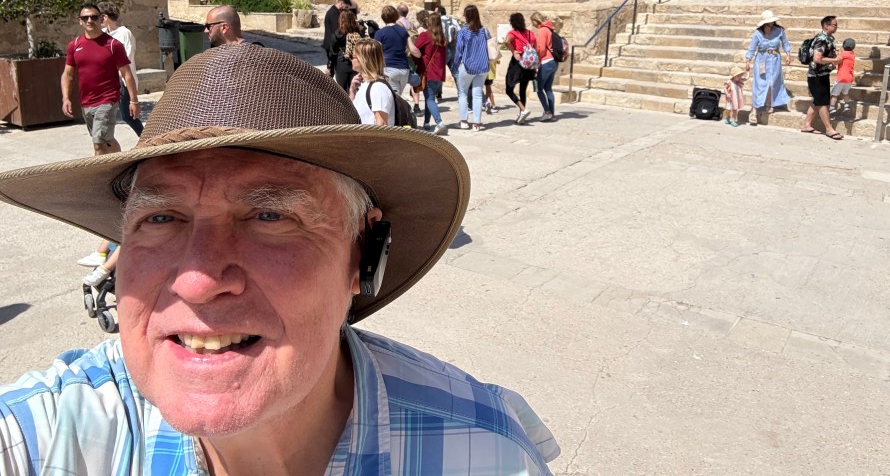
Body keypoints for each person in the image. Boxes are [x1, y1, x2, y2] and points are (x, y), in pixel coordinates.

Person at [0, 43, 559, 474]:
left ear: (364, 255)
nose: (197, 281)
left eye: (269, 217)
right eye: (161, 218)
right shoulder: (45, 436)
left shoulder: (484, 454)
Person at [61, 3, 140, 157]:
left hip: (108, 100)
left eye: (93, 17)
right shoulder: (74, 45)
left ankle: (100, 172)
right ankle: (121, 163)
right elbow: (67, 74)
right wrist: (66, 98)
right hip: (86, 102)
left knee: (98, 144)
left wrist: (134, 100)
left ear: (101, 19)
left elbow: (127, 73)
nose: (89, 20)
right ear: (80, 21)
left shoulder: (113, 45)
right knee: (106, 140)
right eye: (85, 18)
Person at [97, 1, 143, 137]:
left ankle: (146, 139)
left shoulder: (124, 33)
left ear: (105, 17)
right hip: (108, 82)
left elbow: (126, 59)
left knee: (128, 115)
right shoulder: (103, 34)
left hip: (123, 81)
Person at [744, 10, 792, 126]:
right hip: (761, 60)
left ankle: (769, 103)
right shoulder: (757, 33)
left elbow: (785, 43)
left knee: (772, 83)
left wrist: (788, 54)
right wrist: (748, 60)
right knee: (759, 84)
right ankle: (754, 111)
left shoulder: (779, 31)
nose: (771, 23)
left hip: (775, 60)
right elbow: (752, 48)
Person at [801, 15, 844, 139]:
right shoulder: (821, 39)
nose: (836, 27)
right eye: (834, 25)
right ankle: (829, 129)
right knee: (822, 102)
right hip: (816, 76)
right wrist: (835, 60)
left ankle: (806, 125)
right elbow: (817, 58)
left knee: (818, 101)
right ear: (826, 26)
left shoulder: (829, 38)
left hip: (823, 74)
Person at [452, 5, 491, 132]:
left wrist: (455, 66)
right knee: (478, 94)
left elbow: (459, 51)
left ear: (466, 16)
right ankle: (476, 124)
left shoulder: (463, 32)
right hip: (483, 66)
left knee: (462, 93)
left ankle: (464, 121)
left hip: (468, 66)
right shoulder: (485, 31)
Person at [374, 5, 419, 96]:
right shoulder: (403, 31)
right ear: (396, 16)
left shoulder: (380, 33)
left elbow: (375, 52)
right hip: (404, 69)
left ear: (383, 18)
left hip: (388, 69)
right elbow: (413, 49)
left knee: (394, 98)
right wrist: (420, 56)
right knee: (397, 96)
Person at [415, 12, 449, 134]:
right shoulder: (443, 38)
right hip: (439, 73)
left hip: (428, 72)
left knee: (429, 98)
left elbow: (415, 50)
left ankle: (439, 122)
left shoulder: (425, 35)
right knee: (430, 98)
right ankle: (426, 122)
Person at [350, 38, 396, 126]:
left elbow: (382, 124)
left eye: (353, 56)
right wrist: (352, 91)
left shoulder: (378, 87)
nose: (351, 60)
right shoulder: (366, 84)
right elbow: (353, 113)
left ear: (363, 60)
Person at [505, 12, 537, 125]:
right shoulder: (530, 33)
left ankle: (523, 110)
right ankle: (521, 115)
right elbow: (535, 48)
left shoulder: (513, 33)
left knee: (509, 89)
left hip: (518, 63)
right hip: (529, 64)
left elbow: (506, 41)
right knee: (522, 90)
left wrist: (513, 51)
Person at [531, 12, 559, 122]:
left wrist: (536, 59)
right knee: (548, 88)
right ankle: (552, 114)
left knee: (538, 88)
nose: (532, 23)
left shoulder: (542, 30)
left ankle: (547, 112)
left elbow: (542, 49)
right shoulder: (549, 29)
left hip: (546, 62)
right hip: (553, 62)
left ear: (536, 20)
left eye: (532, 21)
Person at [329, 9, 364, 90]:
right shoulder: (359, 33)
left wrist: (330, 67)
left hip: (342, 63)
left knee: (342, 91)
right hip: (356, 62)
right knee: (355, 88)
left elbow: (332, 53)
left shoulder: (337, 34)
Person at [830, 38, 857, 116]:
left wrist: (836, 55)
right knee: (846, 93)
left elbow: (836, 62)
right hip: (849, 78)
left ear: (843, 46)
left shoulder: (843, 54)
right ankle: (846, 105)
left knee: (835, 94)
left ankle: (832, 107)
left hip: (841, 78)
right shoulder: (852, 54)